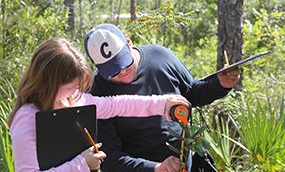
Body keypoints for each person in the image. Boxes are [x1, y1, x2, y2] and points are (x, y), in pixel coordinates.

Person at [6, 37, 190, 172]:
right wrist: (82, 164)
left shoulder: (72, 100)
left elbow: (116, 105)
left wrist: (161, 104)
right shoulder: (27, 118)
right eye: (73, 86)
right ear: (50, 84)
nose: (78, 91)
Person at [84, 23, 241, 172]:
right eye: (113, 71)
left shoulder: (160, 57)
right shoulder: (98, 93)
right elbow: (109, 159)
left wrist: (220, 84)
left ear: (128, 42)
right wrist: (154, 168)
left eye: (125, 62)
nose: (122, 72)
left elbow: (192, 93)